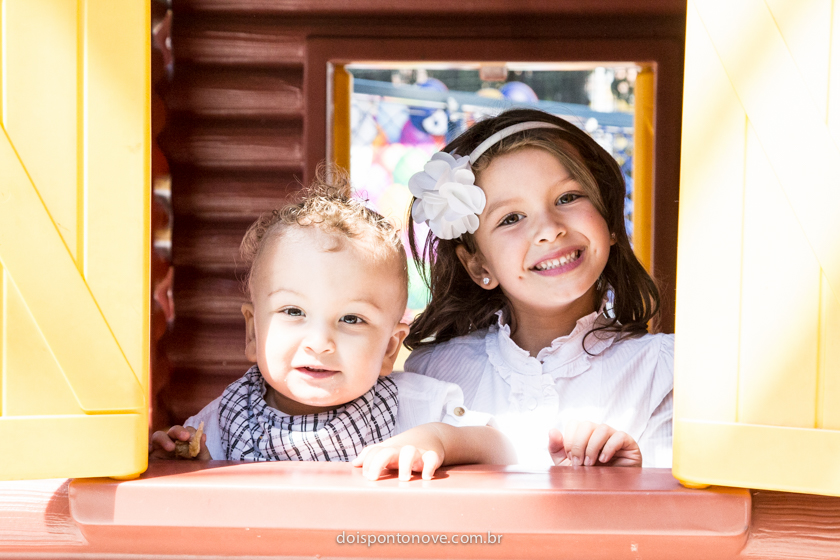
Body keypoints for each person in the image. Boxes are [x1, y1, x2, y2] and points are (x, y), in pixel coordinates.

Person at [150, 169, 516, 480]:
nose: (320, 342)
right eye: (293, 312)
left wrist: (438, 441)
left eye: (352, 319)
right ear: (252, 332)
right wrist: (183, 462)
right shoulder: (222, 420)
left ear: (390, 348)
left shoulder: (415, 406)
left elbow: (501, 447)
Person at [404, 108, 673, 468]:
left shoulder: (666, 370)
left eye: (567, 198)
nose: (549, 229)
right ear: (478, 264)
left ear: (609, 219)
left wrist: (631, 476)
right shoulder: (430, 373)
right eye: (511, 218)